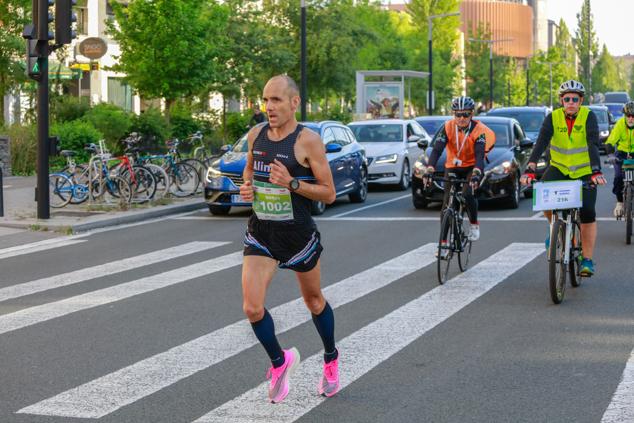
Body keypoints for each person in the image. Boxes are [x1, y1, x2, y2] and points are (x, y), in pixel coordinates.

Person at [239, 75, 339, 403]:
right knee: (252, 308)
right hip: (262, 233)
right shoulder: (256, 135)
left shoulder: (308, 141)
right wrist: (247, 187)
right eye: (266, 99)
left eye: (277, 100)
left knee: (313, 301)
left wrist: (293, 184)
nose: (269, 106)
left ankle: (329, 358)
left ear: (294, 103)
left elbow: (329, 193)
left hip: (298, 235)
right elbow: (249, 171)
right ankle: (280, 363)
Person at [520, 79, 606, 276]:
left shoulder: (588, 117)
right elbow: (541, 143)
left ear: (581, 101)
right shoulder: (553, 118)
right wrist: (530, 168)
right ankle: (554, 230)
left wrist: (596, 171)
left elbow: (593, 143)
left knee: (588, 212)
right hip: (559, 167)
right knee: (543, 197)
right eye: (566, 99)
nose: (570, 102)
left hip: (584, 170)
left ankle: (587, 259)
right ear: (561, 100)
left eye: (575, 99)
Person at [423, 95, 494, 243]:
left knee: (468, 194)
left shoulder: (479, 130)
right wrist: (429, 169)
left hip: (471, 167)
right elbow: (437, 150)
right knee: (447, 204)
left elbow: (480, 155)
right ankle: (443, 242)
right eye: (458, 114)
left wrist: (476, 174)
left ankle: (474, 224)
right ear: (453, 114)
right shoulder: (448, 127)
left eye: (466, 114)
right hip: (453, 166)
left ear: (471, 114)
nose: (461, 118)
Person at [605, 101, 634, 217]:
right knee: (618, 177)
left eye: (633, 116)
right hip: (622, 154)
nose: (631, 119)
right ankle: (620, 203)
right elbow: (610, 141)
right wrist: (611, 155)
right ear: (625, 116)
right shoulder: (620, 124)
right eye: (628, 116)